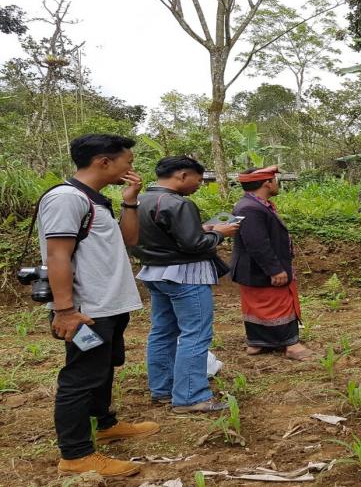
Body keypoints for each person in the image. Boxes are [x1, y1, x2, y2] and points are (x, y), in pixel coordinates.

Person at [38, 134, 159, 477]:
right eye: (128, 162)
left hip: (109, 305)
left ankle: (105, 424)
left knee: (104, 368)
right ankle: (75, 455)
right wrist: (65, 311)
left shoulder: (95, 200)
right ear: (103, 162)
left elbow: (128, 241)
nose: (131, 167)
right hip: (85, 309)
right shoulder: (66, 199)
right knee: (81, 376)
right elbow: (57, 255)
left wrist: (130, 202)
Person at [132, 156, 240, 413]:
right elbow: (194, 245)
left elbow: (161, 235)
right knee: (195, 333)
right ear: (182, 175)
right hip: (185, 276)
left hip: (154, 274)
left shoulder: (139, 200)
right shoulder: (178, 203)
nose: (199, 185)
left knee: (162, 331)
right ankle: (191, 396)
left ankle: (163, 389)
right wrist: (218, 234)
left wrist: (202, 228)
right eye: (198, 180)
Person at [231, 166, 314, 360]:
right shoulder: (250, 208)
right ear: (267, 182)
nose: (276, 184)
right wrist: (275, 269)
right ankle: (291, 345)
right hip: (260, 268)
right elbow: (257, 243)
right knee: (278, 303)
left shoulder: (251, 204)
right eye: (275, 180)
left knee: (257, 305)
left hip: (252, 269)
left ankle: (257, 343)